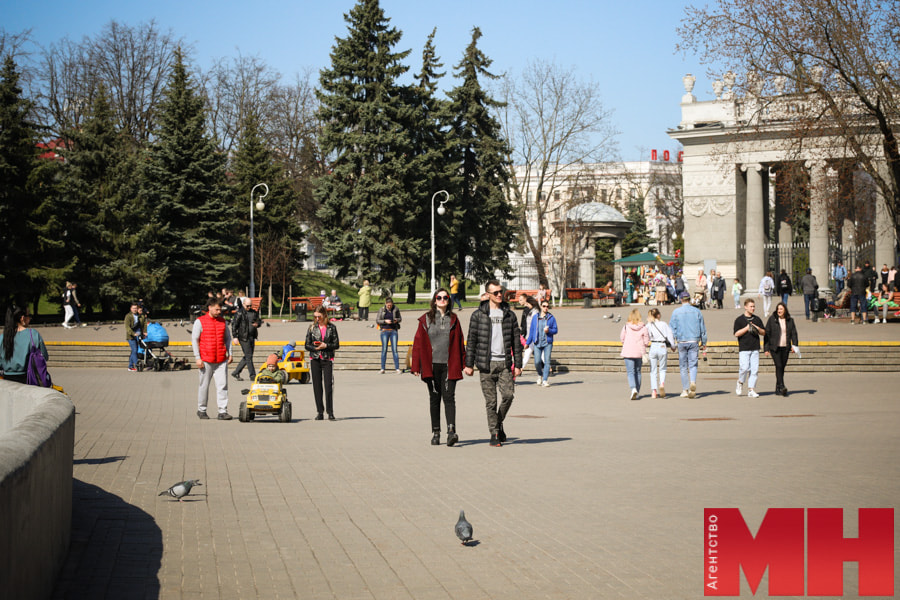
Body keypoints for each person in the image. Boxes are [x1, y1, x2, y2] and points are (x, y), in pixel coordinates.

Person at [464, 279, 523, 447]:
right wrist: (469, 364)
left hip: (504, 363)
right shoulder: (478, 315)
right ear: (488, 294)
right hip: (486, 364)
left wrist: (517, 365)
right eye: (495, 292)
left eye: (501, 292)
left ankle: (497, 422)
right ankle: (494, 433)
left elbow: (516, 342)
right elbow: (472, 340)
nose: (499, 295)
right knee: (490, 402)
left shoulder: (509, 314)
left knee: (508, 396)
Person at [411, 288, 466, 446]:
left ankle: (451, 432)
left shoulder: (454, 319)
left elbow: (460, 343)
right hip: (432, 366)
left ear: (449, 300)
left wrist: (465, 364)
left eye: (445, 298)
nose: (442, 300)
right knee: (434, 399)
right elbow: (418, 344)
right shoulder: (426, 319)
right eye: (439, 297)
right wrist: (416, 366)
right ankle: (436, 432)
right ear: (434, 300)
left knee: (449, 398)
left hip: (449, 366)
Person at [191, 298, 234, 420]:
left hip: (221, 359)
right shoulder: (200, 321)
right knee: (204, 385)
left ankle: (222, 411)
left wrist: (230, 353)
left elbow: (228, 338)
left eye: (220, 309)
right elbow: (195, 340)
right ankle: (202, 410)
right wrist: (197, 358)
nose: (219, 311)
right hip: (205, 359)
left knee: (222, 386)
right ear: (209, 307)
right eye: (217, 309)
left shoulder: (223, 322)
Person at [670, 291, 707, 398]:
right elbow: (702, 328)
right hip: (694, 340)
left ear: (681, 300)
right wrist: (703, 342)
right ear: (690, 299)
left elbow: (672, 329)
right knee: (693, 364)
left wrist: (672, 343)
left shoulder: (676, 312)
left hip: (682, 341)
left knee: (683, 366)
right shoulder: (697, 311)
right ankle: (693, 382)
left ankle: (685, 390)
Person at [305, 305, 340, 420]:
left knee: (328, 386)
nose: (317, 319)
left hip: (327, 358)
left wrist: (326, 345)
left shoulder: (331, 328)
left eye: (319, 316)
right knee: (317, 386)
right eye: (315, 316)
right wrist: (315, 348)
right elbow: (306, 345)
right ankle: (320, 412)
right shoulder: (312, 328)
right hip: (315, 359)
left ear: (324, 315)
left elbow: (336, 344)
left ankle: (330, 412)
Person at [0, 306, 48, 384]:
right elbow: (44, 356)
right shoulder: (33, 334)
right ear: (22, 318)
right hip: (28, 379)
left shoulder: (2, 337)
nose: (30, 319)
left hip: (6, 380)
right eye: (29, 316)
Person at [764, 302, 799, 397]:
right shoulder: (772, 319)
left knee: (782, 368)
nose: (779, 311)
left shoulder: (790, 320)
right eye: (778, 309)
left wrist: (794, 345)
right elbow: (767, 334)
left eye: (781, 309)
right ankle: (782, 385)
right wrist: (766, 349)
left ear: (785, 310)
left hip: (786, 347)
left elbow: (794, 333)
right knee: (779, 365)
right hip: (775, 348)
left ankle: (777, 388)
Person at [734, 298, 765, 398]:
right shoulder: (739, 320)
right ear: (745, 307)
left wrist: (757, 328)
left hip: (755, 347)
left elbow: (764, 332)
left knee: (754, 370)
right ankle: (740, 382)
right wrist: (747, 328)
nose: (753, 308)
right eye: (751, 306)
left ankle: (751, 389)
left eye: (754, 306)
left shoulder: (757, 319)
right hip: (744, 348)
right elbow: (736, 333)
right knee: (744, 368)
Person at [526, 298, 558, 387]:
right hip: (537, 342)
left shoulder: (551, 318)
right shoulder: (535, 317)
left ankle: (545, 380)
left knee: (547, 361)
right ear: (541, 306)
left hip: (547, 343)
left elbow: (555, 330)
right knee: (537, 362)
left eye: (547, 306)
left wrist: (549, 331)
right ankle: (540, 374)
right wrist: (527, 343)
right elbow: (532, 331)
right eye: (544, 306)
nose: (546, 308)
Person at [619, 308, 649, 400]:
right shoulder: (644, 327)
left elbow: (622, 338)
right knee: (638, 372)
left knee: (630, 372)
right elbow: (646, 341)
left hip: (628, 352)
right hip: (639, 352)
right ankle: (637, 391)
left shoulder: (626, 326)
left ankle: (633, 389)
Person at [231, 297, 262, 381]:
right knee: (249, 356)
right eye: (247, 306)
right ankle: (252, 375)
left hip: (252, 336)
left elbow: (259, 321)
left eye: (250, 306)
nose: (249, 307)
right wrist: (235, 337)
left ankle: (236, 372)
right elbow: (234, 326)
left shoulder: (253, 312)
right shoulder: (239, 313)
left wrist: (257, 324)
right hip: (243, 337)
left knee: (248, 356)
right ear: (243, 304)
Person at [646, 308, 675, 399]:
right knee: (662, 368)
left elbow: (648, 336)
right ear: (658, 315)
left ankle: (654, 391)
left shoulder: (649, 325)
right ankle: (661, 383)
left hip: (653, 346)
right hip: (662, 346)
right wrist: (673, 346)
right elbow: (670, 335)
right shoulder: (664, 324)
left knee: (653, 370)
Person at [376, 296, 402, 373]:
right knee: (384, 349)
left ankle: (397, 368)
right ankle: (382, 368)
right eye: (388, 305)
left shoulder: (396, 309)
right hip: (384, 331)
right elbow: (377, 320)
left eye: (390, 305)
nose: (389, 306)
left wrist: (396, 320)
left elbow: (400, 318)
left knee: (395, 350)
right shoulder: (381, 310)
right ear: (385, 304)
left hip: (393, 331)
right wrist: (385, 321)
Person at [124, 302, 147, 372]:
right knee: (134, 350)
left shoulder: (140, 316)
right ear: (131, 309)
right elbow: (127, 327)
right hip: (131, 336)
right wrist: (133, 333)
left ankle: (130, 367)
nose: (134, 309)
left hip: (139, 336)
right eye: (133, 308)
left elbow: (144, 324)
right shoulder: (128, 316)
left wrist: (145, 332)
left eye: (136, 308)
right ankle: (138, 365)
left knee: (134, 351)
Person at [518, 295, 538, 368]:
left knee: (530, 353)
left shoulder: (534, 312)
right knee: (529, 353)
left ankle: (549, 368)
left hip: (533, 337)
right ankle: (521, 368)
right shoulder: (529, 310)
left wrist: (526, 336)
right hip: (530, 336)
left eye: (520, 300)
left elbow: (531, 326)